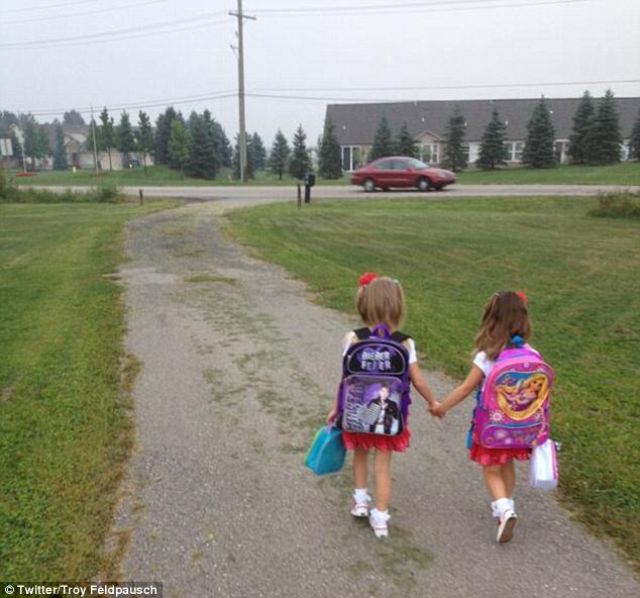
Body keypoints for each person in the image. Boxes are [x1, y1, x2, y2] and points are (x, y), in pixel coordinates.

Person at [328, 273, 438, 539]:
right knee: (383, 466)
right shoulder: (404, 343)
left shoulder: (353, 339)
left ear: (364, 303)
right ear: (398, 306)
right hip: (391, 419)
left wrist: (336, 408)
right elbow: (418, 380)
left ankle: (361, 501)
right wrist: (434, 402)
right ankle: (380, 518)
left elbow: (346, 380)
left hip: (357, 414)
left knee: (361, 456)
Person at [431, 290, 536, 543]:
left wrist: (442, 407)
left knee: (491, 468)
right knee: (508, 464)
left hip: (493, 426)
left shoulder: (488, 356)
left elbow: (466, 388)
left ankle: (504, 509)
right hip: (520, 426)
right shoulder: (531, 353)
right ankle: (506, 503)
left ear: (491, 319)